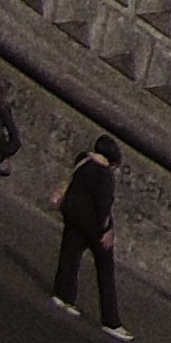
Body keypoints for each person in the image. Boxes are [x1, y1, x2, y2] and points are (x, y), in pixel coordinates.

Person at [48, 129, 123, 332]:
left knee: (69, 256)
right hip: (93, 227)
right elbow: (104, 206)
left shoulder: (83, 161)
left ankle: (63, 294)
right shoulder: (105, 176)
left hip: (73, 215)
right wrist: (108, 229)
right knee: (105, 271)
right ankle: (111, 320)